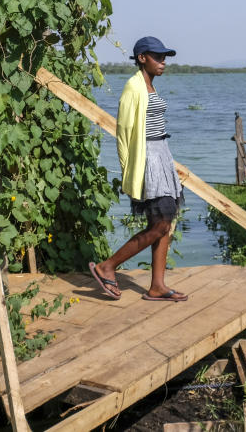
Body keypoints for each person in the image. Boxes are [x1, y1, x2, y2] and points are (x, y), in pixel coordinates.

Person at [89, 36, 188, 302]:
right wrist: (130, 169)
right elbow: (124, 133)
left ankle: (157, 286)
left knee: (164, 225)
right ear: (142, 57)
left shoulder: (149, 87)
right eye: (157, 56)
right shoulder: (133, 88)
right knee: (160, 225)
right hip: (148, 160)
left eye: (165, 57)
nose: (163, 62)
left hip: (161, 156)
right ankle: (107, 266)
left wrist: (168, 163)